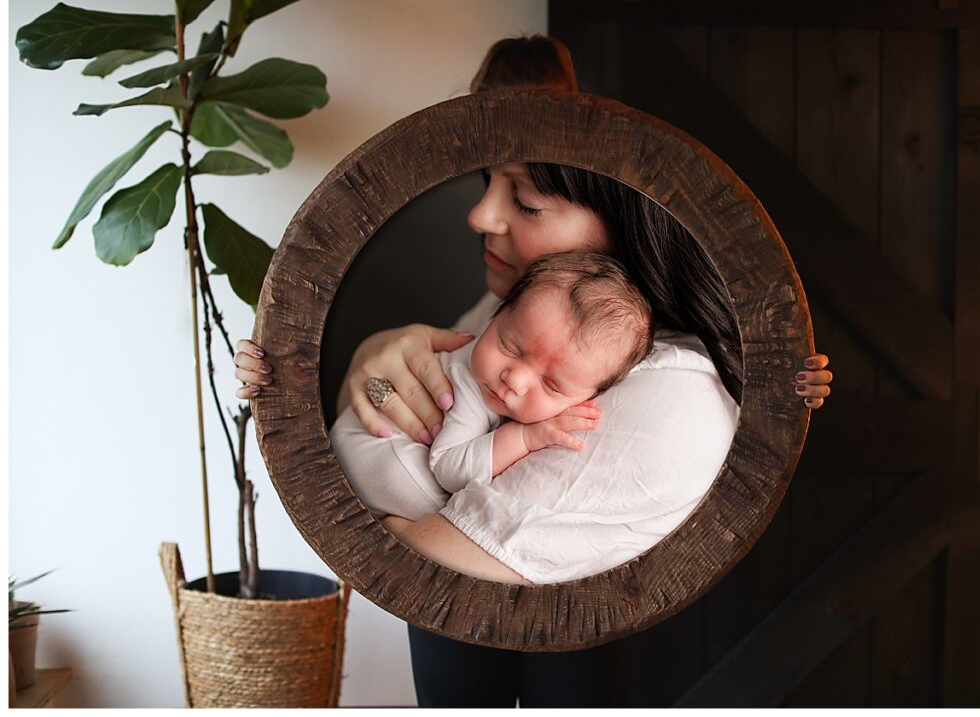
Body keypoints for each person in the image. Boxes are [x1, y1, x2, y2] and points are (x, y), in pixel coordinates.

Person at [234, 35, 834, 706]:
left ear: (618, 214)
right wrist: (364, 373)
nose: (480, 215)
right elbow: (403, 402)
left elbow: (419, 547)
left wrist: (377, 474)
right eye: (487, 183)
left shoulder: (672, 394)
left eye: (525, 201)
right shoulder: (507, 302)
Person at [330, 252, 656, 584]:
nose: (514, 380)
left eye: (551, 384)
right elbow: (450, 469)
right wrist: (524, 439)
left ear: (588, 397)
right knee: (421, 490)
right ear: (495, 316)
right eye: (510, 347)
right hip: (373, 456)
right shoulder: (468, 384)